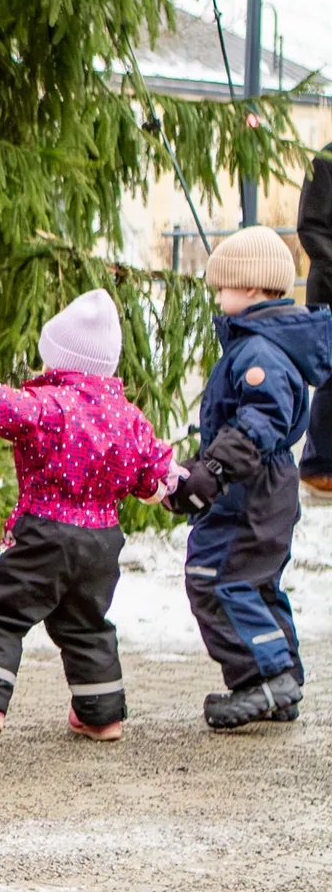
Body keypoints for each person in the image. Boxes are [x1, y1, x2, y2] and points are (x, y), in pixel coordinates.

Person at [0, 289, 179, 741]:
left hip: (43, 532)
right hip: (102, 542)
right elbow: (154, 474)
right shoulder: (129, 418)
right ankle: (101, 714)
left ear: (59, 360)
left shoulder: (51, 404)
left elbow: (0, 406)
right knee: (87, 624)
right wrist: (170, 484)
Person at [163, 225, 327, 728]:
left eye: (222, 286)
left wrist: (212, 469)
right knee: (255, 584)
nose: (216, 295)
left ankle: (263, 677)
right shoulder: (259, 344)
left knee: (216, 580)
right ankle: (284, 678)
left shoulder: (259, 352)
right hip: (262, 488)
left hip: (250, 491)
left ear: (253, 288)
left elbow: (259, 421)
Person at [294, 145, 332, 493]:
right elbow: (311, 228)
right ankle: (318, 467)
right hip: (330, 294)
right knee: (331, 378)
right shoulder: (325, 161)